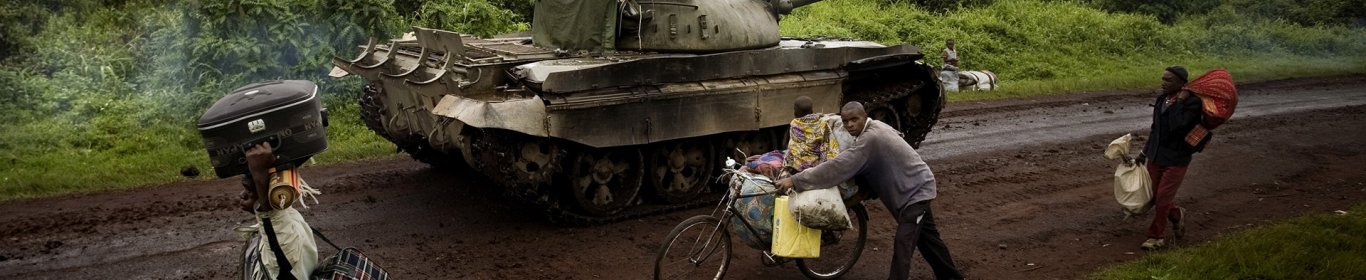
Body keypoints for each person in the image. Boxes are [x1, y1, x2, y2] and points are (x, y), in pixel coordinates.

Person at [776, 102, 963, 280]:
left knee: (903, 244)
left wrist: (795, 180)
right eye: (845, 121)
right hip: (914, 186)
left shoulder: (869, 140)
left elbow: (838, 167)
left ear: (865, 117)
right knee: (928, 240)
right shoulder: (878, 126)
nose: (849, 125)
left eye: (854, 119)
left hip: (916, 194)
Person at [1136, 66, 1204, 250]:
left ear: (1182, 84)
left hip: (1176, 158)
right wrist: (1144, 153)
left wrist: (1180, 102)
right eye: (1163, 79)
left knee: (1164, 197)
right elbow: (1155, 129)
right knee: (1156, 197)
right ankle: (1176, 214)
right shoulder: (1161, 100)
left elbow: (1177, 126)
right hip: (1156, 156)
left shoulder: (1193, 104)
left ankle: (1156, 237)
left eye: (1169, 80)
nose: (1163, 83)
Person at [240, 142, 319, 280]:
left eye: (249, 189)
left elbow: (274, 224)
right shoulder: (290, 217)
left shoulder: (282, 237)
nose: (242, 194)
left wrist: (260, 176)